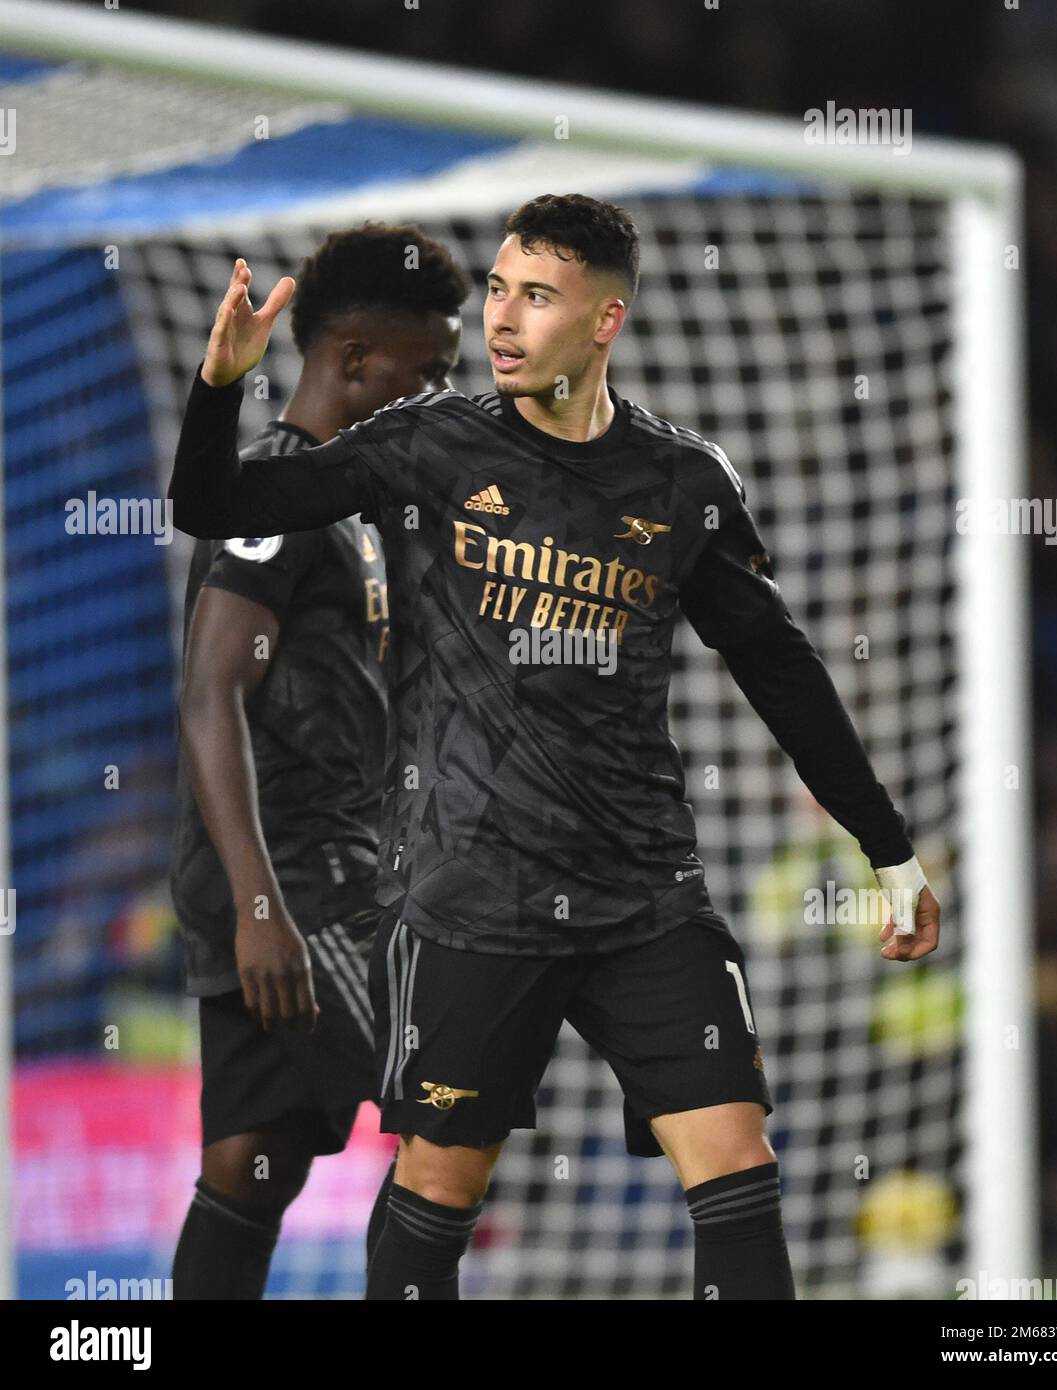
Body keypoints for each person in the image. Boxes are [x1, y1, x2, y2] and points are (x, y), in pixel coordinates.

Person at [169, 194, 940, 1301]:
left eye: (537, 296)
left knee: (735, 1159)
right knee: (438, 1180)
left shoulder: (684, 483)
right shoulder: (429, 446)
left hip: (645, 896)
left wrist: (888, 847)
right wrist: (220, 388)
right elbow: (213, 503)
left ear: (604, 319)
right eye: (497, 290)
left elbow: (778, 669)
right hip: (474, 899)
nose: (503, 318)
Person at [169, 223, 467, 1298]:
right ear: (349, 359)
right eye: (424, 369)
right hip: (289, 884)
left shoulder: (362, 502)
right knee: (453, 1110)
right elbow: (212, 694)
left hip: (326, 876)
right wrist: (258, 904)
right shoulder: (275, 498)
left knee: (256, 1168)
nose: (436, 390)